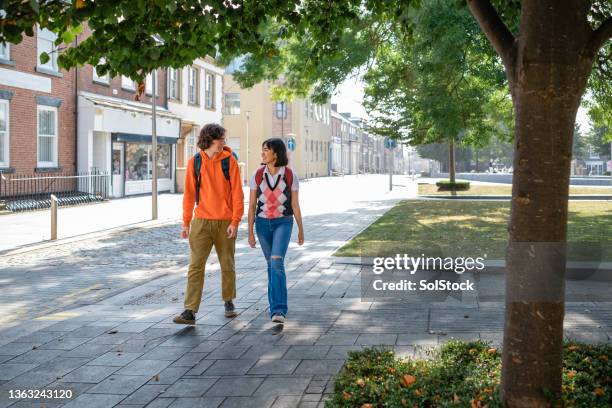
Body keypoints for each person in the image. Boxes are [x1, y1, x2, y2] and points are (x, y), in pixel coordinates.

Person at [173, 124, 244, 325]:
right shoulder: (194, 162)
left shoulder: (229, 161)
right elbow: (188, 194)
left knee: (227, 264)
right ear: (211, 139)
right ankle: (190, 311)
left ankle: (228, 300)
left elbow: (238, 192)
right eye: (221, 139)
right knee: (195, 266)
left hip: (224, 222)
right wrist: (186, 223)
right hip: (201, 222)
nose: (224, 142)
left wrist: (235, 220)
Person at [248, 138, 304, 324]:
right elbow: (252, 206)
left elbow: (295, 204)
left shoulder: (289, 175)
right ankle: (274, 307)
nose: (262, 153)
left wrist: (300, 230)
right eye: (262, 150)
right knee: (271, 266)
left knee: (276, 261)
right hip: (262, 225)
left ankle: (279, 309)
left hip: (283, 223)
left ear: (276, 154)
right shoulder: (257, 175)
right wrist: (249, 232)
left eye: (266, 150)